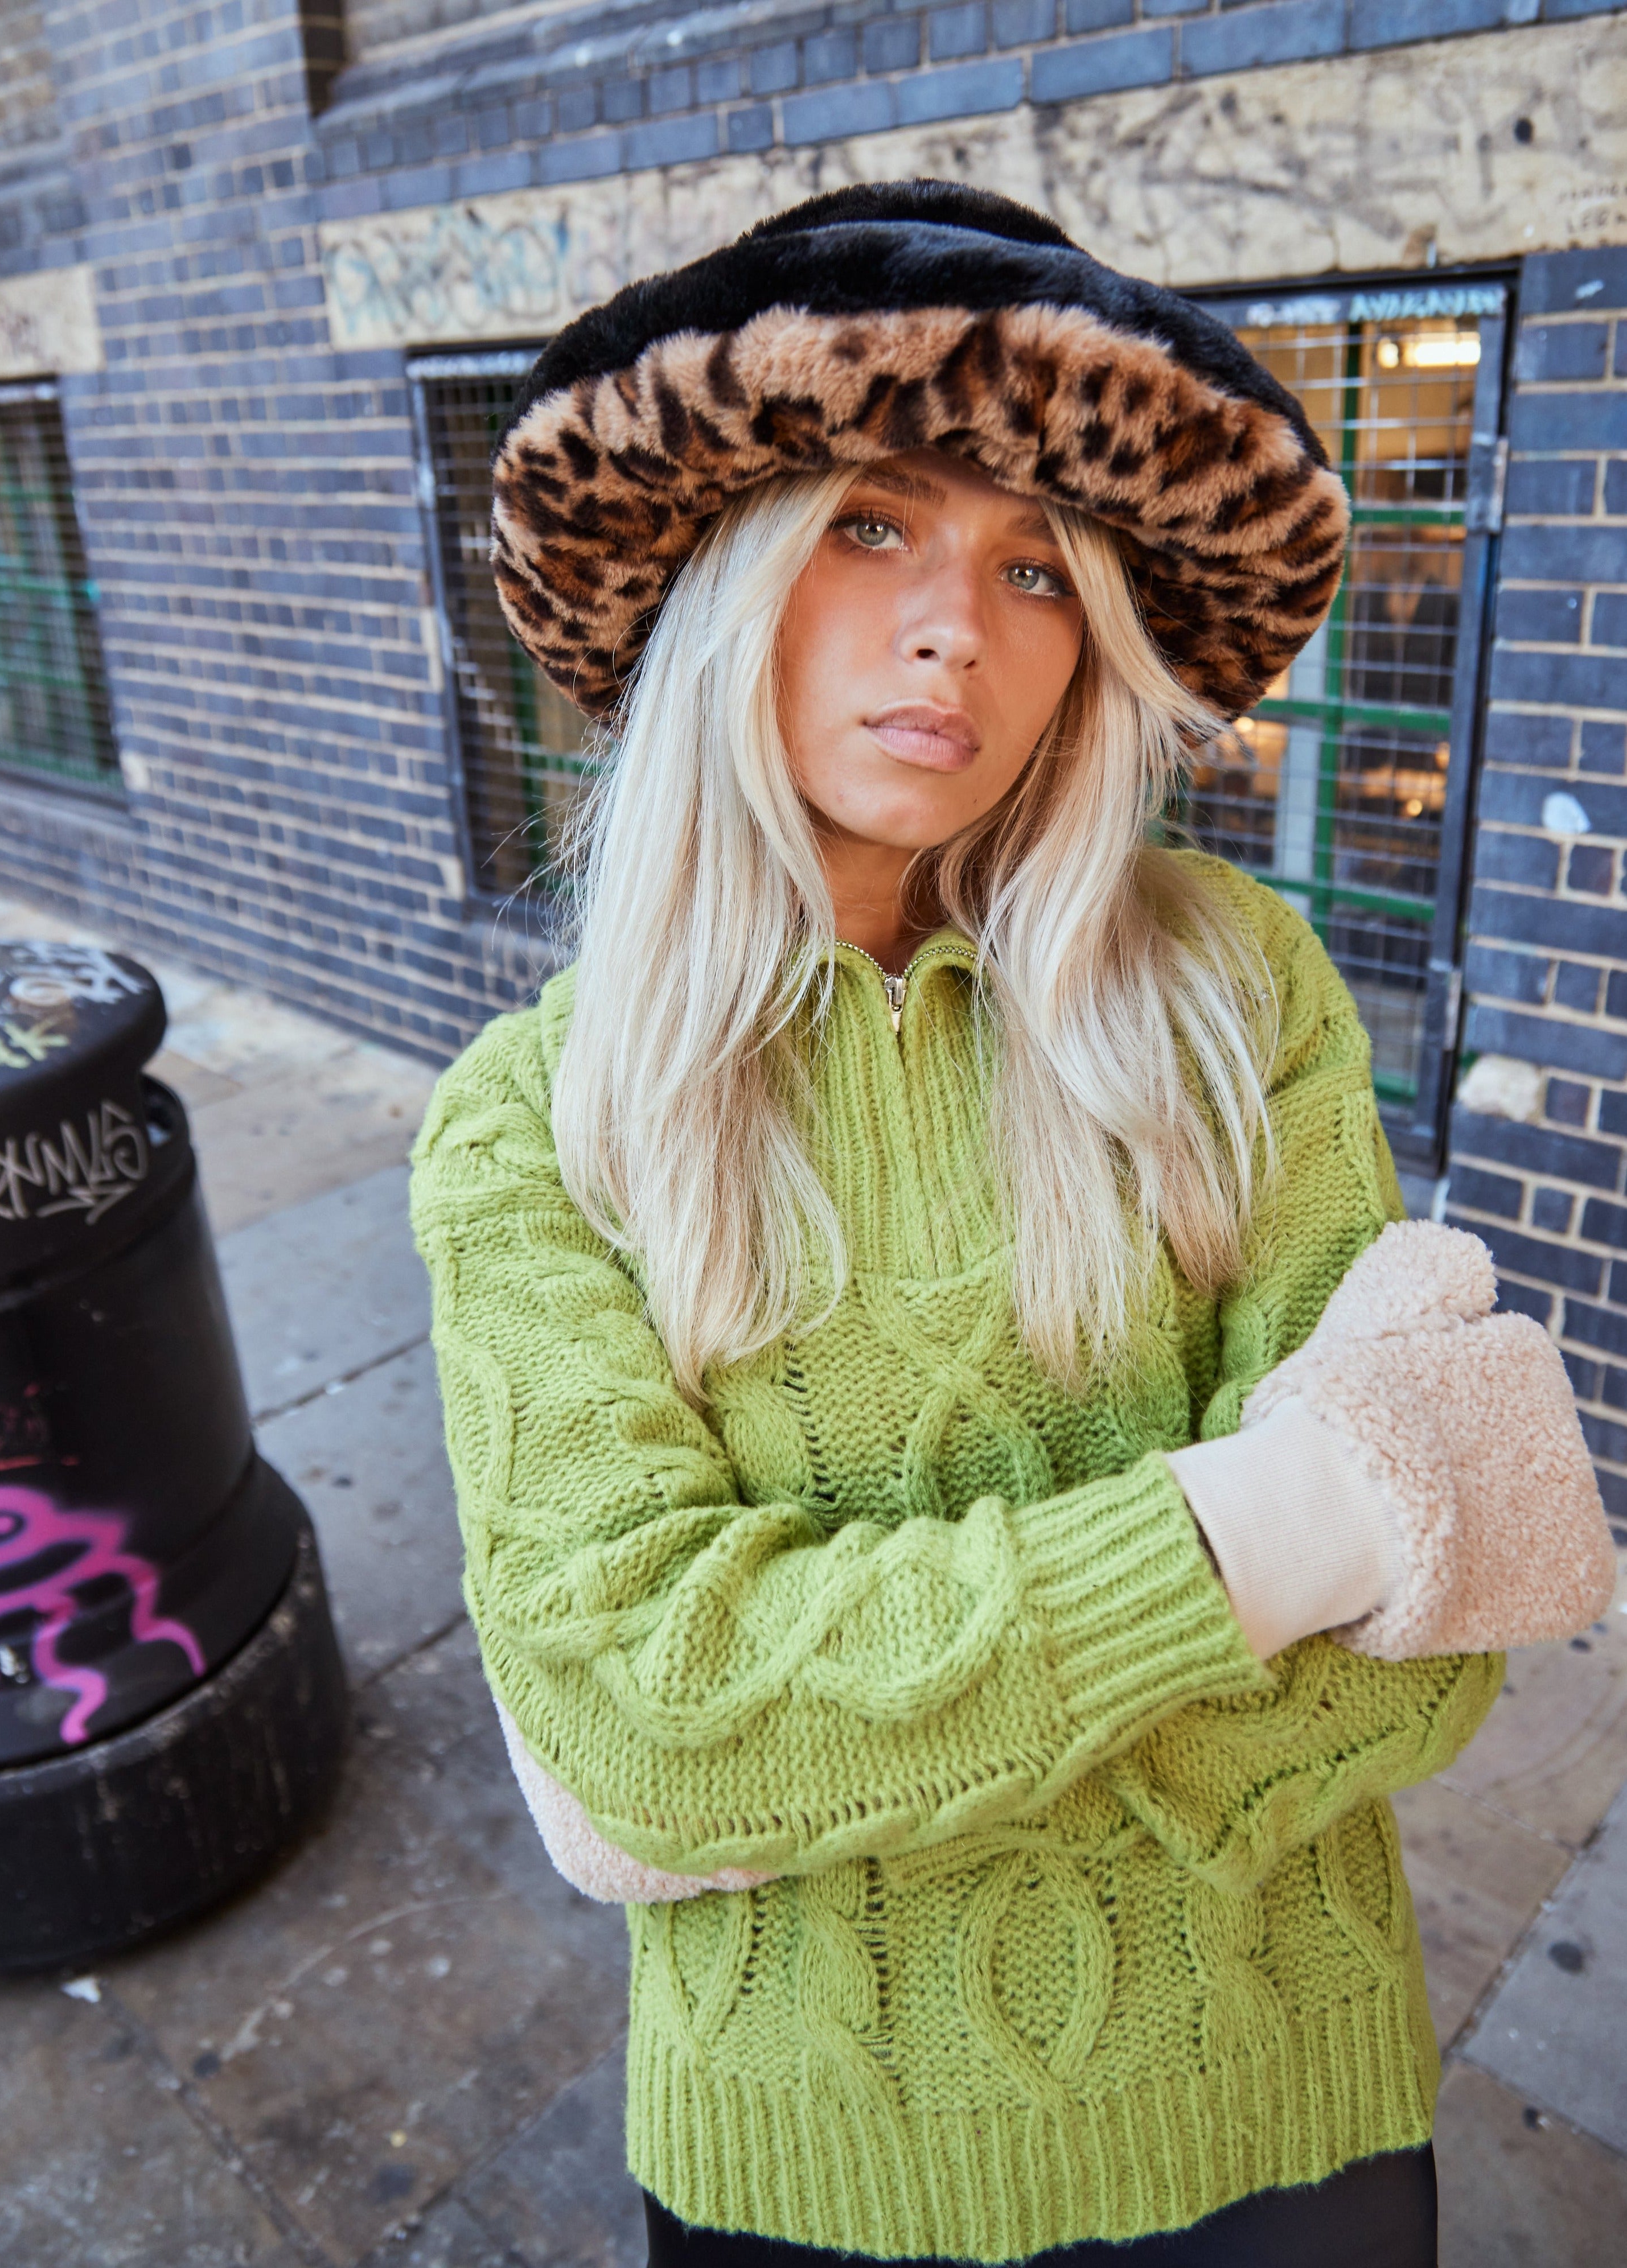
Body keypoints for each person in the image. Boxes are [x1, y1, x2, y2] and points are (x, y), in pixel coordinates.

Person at [410, 182, 1614, 2268]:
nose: (957, 622)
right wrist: (1271, 1534)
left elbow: (1437, 1641)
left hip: (1279, 2117)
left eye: (1039, 566)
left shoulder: (1241, 989)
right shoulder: (535, 1125)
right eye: (872, 524)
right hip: (807, 2157)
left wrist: (813, 1742)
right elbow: (644, 1724)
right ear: (726, 572)